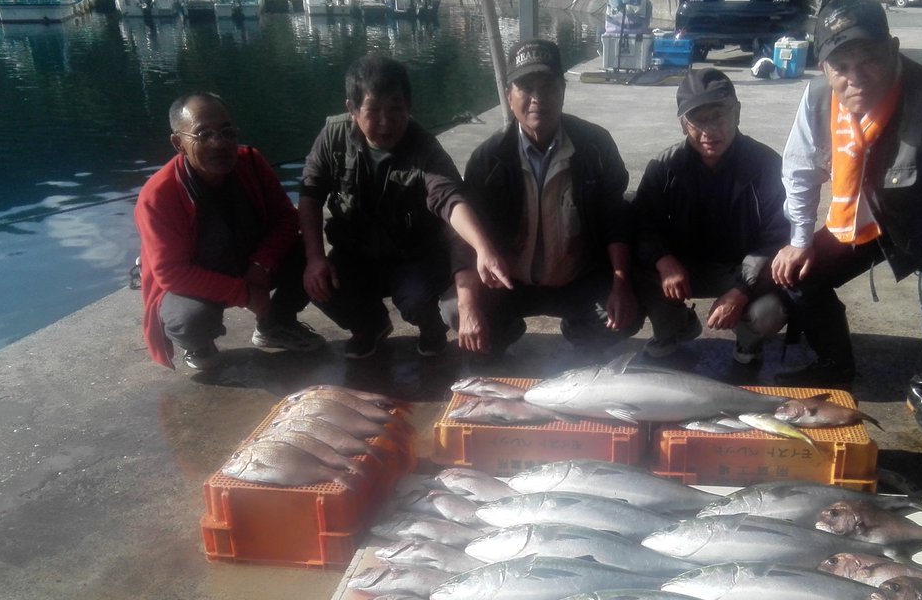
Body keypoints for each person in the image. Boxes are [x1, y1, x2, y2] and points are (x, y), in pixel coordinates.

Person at [771, 0, 922, 437]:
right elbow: (800, 170)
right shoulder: (819, 96)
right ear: (823, 67)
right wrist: (800, 238)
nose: (855, 77)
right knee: (795, 273)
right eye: (841, 65)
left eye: (870, 59)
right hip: (860, 220)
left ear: (893, 49)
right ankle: (835, 364)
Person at [299, 54, 510, 359]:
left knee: (414, 298)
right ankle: (370, 326)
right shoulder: (332, 137)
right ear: (352, 109)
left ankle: (431, 328)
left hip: (412, 257)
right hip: (355, 254)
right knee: (317, 281)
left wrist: (483, 248)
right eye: (373, 111)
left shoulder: (424, 148)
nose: (386, 122)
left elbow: (449, 199)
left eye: (396, 109)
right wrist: (315, 257)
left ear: (409, 107)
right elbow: (310, 194)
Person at [444, 39, 643, 357]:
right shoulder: (488, 158)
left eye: (548, 86)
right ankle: (503, 330)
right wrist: (469, 307)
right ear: (510, 96)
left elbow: (615, 216)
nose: (538, 98)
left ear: (563, 91)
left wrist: (621, 283)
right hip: (508, 284)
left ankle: (580, 331)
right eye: (525, 87)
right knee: (455, 309)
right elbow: (464, 239)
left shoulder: (596, 146)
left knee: (627, 310)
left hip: (577, 280)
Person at [136, 91, 323, 371]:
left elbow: (287, 219)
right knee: (191, 319)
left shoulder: (251, 162)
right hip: (195, 280)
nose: (219, 144)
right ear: (179, 143)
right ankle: (199, 345)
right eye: (204, 135)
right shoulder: (157, 196)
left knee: (312, 259)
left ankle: (275, 325)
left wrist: (261, 264)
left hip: (249, 263)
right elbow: (171, 273)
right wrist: (244, 294)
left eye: (226, 132)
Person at [633, 68, 790, 368]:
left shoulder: (768, 165)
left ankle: (749, 340)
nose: (709, 130)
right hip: (684, 269)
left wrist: (740, 291)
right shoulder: (664, 168)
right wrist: (664, 260)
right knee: (636, 266)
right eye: (697, 119)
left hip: (742, 268)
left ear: (737, 113)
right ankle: (673, 328)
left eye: (718, 115)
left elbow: (778, 236)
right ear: (683, 124)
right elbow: (642, 223)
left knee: (772, 303)